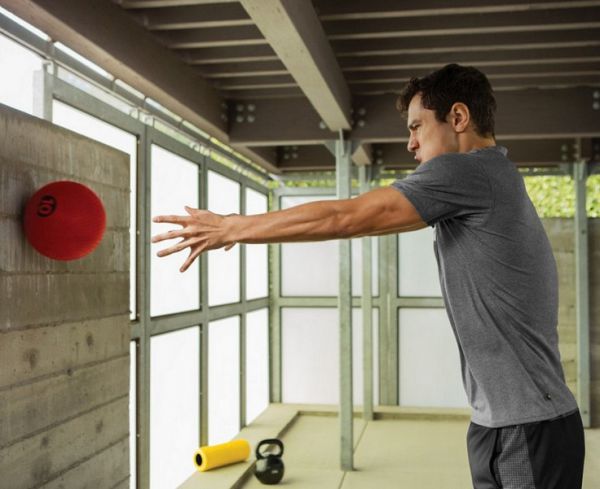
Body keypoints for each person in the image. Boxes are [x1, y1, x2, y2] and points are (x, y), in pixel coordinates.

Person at [152, 63, 585, 488]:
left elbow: (347, 217)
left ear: (458, 117)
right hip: (506, 424)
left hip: (527, 428)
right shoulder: (490, 180)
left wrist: (232, 227)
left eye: (417, 127)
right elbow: (364, 221)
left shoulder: (471, 170)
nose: (410, 143)